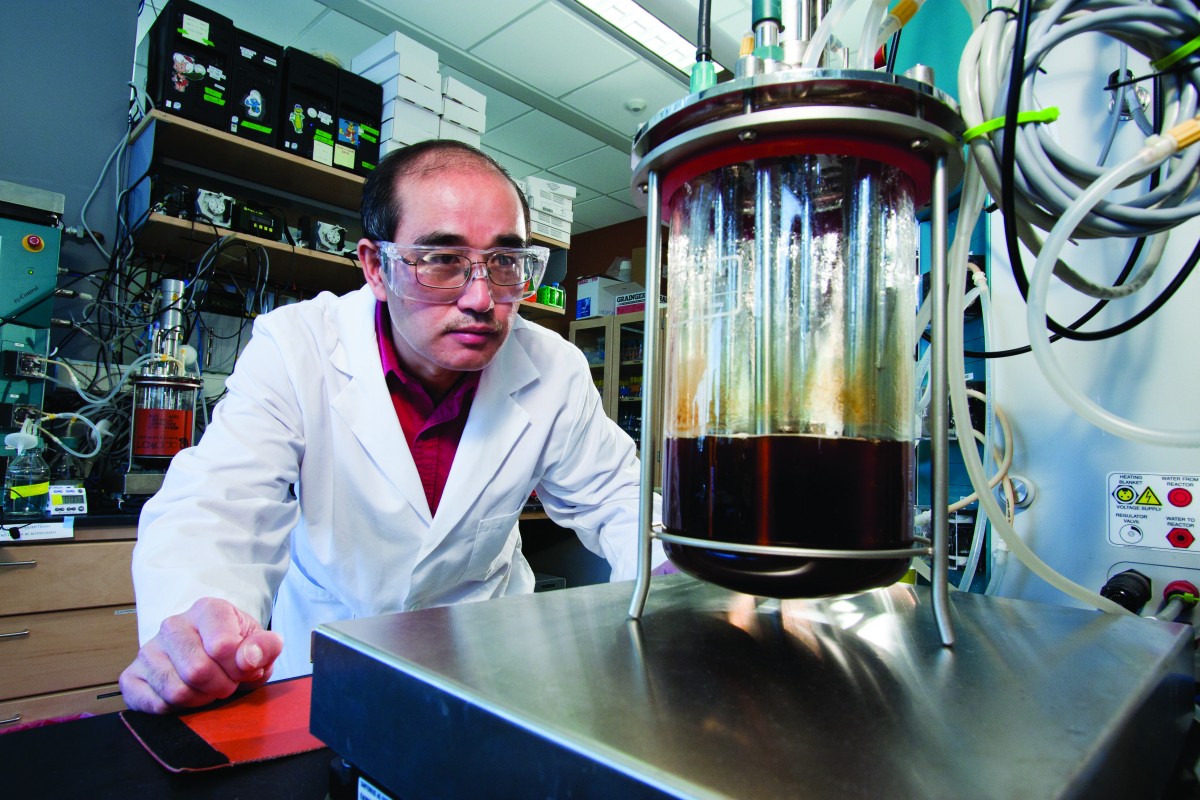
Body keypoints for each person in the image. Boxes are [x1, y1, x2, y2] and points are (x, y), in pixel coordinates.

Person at [120, 140, 667, 714]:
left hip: (489, 665)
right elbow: (219, 506)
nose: (482, 299)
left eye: (505, 263)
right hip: (327, 657)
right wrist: (204, 630)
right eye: (440, 260)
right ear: (376, 267)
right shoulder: (297, 345)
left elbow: (617, 499)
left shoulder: (552, 367)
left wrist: (681, 583)